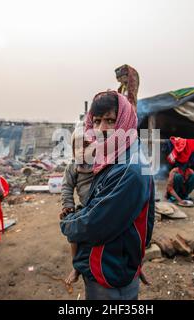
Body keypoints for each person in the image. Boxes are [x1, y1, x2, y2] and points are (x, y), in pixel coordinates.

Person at [60, 91, 155, 300]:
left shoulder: (127, 168)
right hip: (118, 262)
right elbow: (148, 219)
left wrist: (67, 224)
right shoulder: (113, 155)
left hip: (107, 267)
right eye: (96, 121)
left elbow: (94, 224)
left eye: (110, 121)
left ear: (125, 121)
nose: (102, 129)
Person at [60, 129, 94, 286]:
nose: (82, 150)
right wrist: (68, 206)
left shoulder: (101, 163)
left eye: (86, 145)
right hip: (84, 207)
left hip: (101, 207)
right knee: (73, 233)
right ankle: (76, 267)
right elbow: (67, 187)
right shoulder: (73, 167)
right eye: (77, 146)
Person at [165, 136, 194, 206]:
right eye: (183, 164)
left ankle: (184, 196)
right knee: (178, 177)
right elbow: (169, 188)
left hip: (183, 193)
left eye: (186, 164)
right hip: (174, 193)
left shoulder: (189, 171)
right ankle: (174, 197)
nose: (185, 166)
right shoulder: (174, 171)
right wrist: (180, 200)